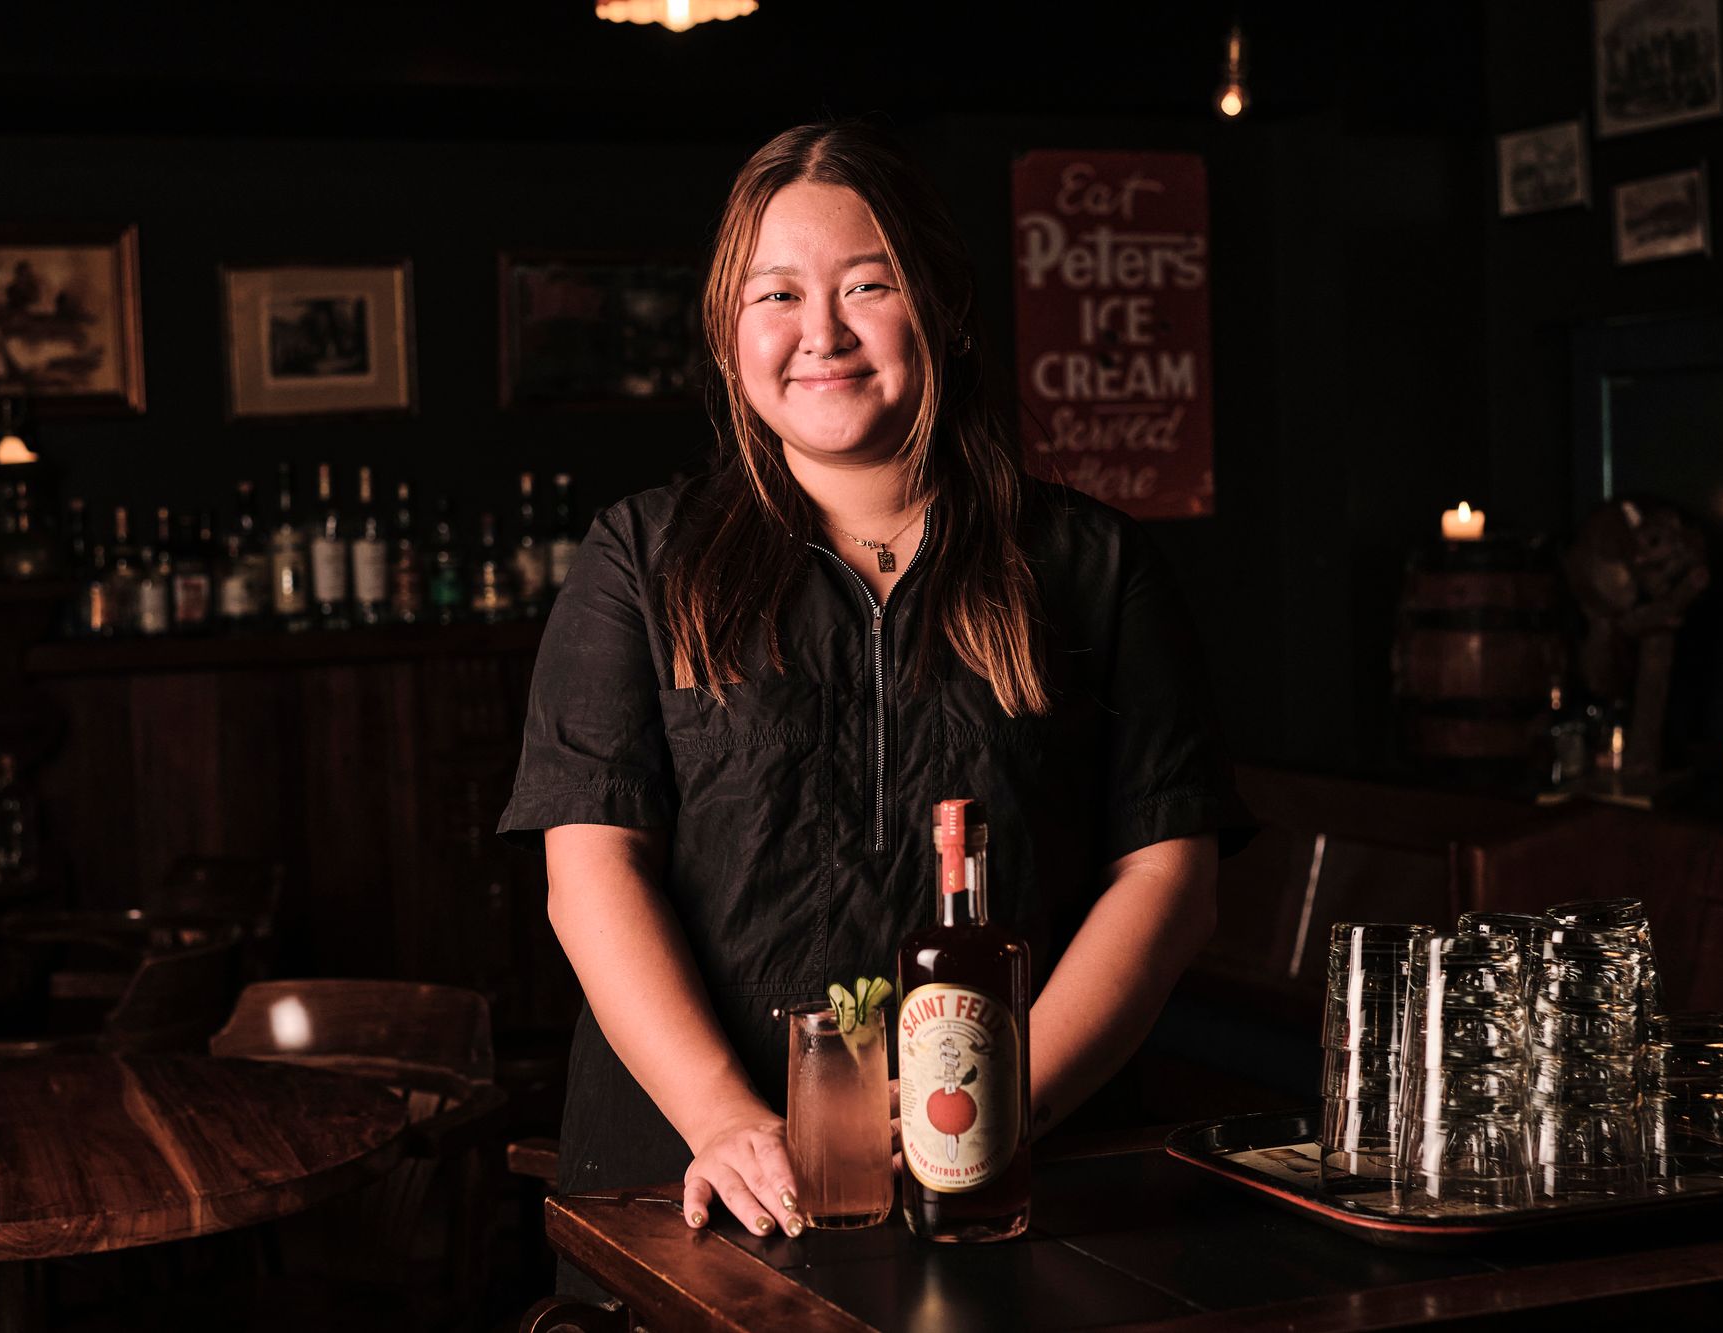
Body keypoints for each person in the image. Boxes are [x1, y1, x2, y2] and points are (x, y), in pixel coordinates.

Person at [499, 121, 1246, 1290]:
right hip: (692, 1177)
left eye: (867, 284)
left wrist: (996, 1106)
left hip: (1019, 1179)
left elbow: (1166, 877)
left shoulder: (1092, 565)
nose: (821, 334)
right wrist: (722, 1116)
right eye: (775, 295)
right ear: (727, 331)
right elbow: (591, 868)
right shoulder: (640, 558)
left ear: (943, 305)